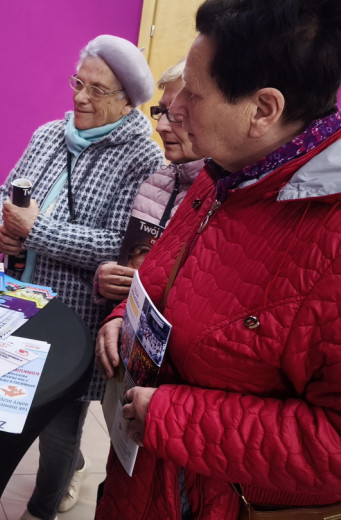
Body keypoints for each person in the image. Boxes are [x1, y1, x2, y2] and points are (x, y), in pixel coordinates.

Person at [94, 0, 341, 518]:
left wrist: (172, 416)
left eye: (195, 93)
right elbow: (164, 281)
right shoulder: (222, 175)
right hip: (141, 482)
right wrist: (124, 318)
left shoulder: (329, 241)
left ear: (263, 110)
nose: (172, 107)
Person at [0, 35, 164, 520]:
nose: (80, 97)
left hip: (75, 317)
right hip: (19, 301)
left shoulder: (143, 159)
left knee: (62, 428)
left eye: (97, 90)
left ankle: (42, 509)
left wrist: (34, 230)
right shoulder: (48, 134)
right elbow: (6, 191)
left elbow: (120, 248)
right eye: (78, 83)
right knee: (13, 406)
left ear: (127, 100)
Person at [94, 59, 204, 302]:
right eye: (162, 112)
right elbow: (130, 263)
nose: (162, 127)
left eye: (178, 116)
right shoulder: (155, 183)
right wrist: (107, 280)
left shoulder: (225, 195)